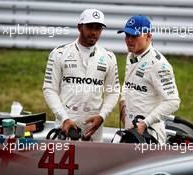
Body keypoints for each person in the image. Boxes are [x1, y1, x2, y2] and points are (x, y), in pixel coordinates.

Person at [43, 9, 120, 142]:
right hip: (65, 124)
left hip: (94, 126)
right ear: (79, 27)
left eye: (98, 28)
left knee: (94, 163)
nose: (94, 32)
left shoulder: (109, 57)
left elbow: (113, 92)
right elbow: (49, 89)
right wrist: (64, 118)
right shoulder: (59, 53)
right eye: (90, 27)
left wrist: (102, 116)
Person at [118, 15, 180, 145]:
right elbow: (128, 84)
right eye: (127, 35)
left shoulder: (158, 64)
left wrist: (145, 123)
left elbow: (173, 101)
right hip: (131, 130)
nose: (129, 40)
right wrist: (123, 103)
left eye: (134, 36)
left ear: (148, 36)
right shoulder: (131, 55)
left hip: (150, 135)